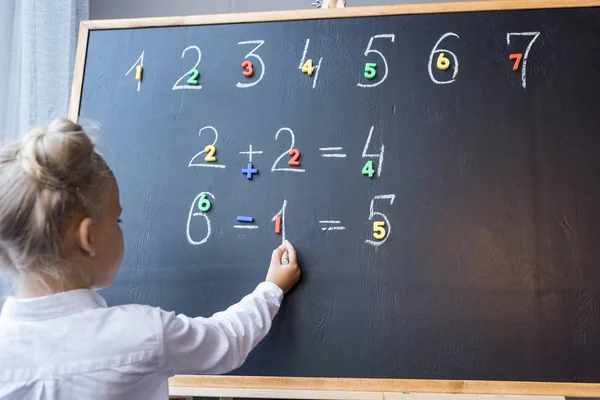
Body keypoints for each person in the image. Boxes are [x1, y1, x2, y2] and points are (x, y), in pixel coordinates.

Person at [0, 119, 301, 399]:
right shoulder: (141, 334)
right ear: (88, 238)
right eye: (117, 221)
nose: (121, 229)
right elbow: (227, 341)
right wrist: (272, 289)